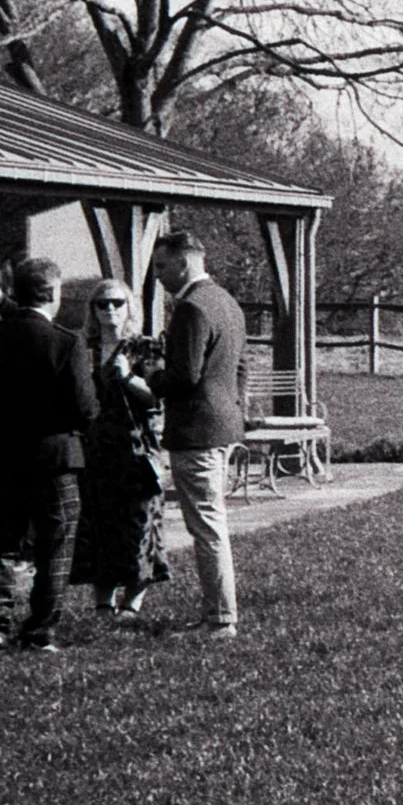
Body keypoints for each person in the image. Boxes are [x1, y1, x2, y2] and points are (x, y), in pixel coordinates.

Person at [0, 258, 97, 650]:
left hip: (6, 458)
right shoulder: (66, 342)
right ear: (52, 294)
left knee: (2, 543)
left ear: (16, 292)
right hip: (56, 459)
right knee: (56, 546)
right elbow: (85, 409)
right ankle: (40, 628)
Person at [151, 229, 246, 636]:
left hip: (196, 429)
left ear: (184, 262)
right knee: (211, 522)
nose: (157, 275)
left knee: (207, 526)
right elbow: (240, 368)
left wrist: (146, 376)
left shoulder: (191, 307)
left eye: (161, 266)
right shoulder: (227, 302)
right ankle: (217, 613)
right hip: (222, 425)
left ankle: (221, 618)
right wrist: (234, 408)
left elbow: (183, 378)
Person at [74, 278, 171, 618]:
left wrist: (129, 377)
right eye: (102, 304)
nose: (109, 310)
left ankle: (133, 601)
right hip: (95, 449)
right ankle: (103, 600)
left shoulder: (144, 348)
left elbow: (158, 397)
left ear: (130, 307)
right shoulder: (82, 348)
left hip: (136, 447)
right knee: (99, 524)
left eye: (117, 303)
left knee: (140, 524)